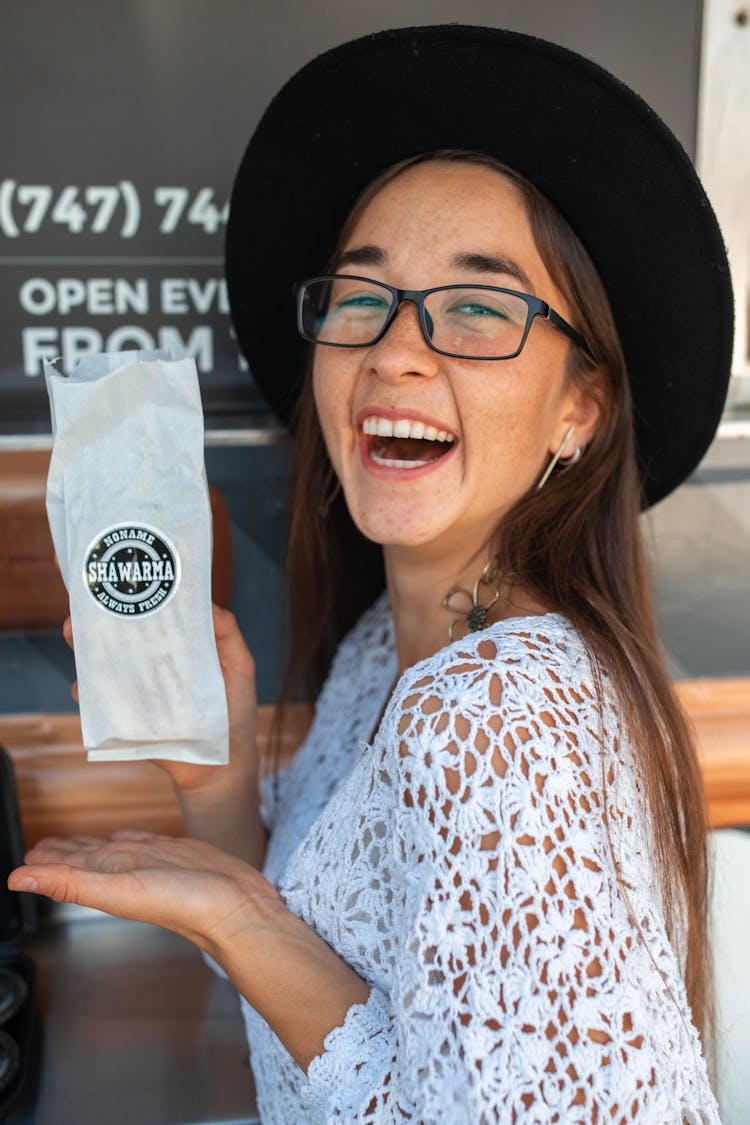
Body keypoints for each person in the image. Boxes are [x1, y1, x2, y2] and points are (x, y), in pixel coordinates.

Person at [8, 25, 733, 1123]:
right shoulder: (380, 655)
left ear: (578, 409)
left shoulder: (496, 711)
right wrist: (216, 777)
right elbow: (318, 986)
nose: (397, 348)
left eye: (480, 307)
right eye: (360, 298)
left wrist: (242, 923)